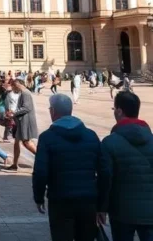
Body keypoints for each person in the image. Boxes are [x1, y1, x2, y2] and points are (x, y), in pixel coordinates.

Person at [32, 93, 110, 241]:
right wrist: (102, 205)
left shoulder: (47, 137)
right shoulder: (91, 135)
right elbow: (104, 172)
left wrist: (39, 197)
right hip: (88, 200)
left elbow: (41, 171)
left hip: (60, 200)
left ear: (53, 111)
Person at [100, 91, 153, 241]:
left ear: (119, 111)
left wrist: (102, 207)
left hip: (121, 211)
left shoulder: (109, 142)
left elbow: (105, 178)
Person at [3, 79, 38, 171]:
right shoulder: (23, 93)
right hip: (21, 120)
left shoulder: (25, 93)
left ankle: (42, 158)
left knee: (26, 142)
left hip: (25, 121)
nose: (13, 89)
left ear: (17, 85)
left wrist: (13, 113)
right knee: (17, 142)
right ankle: (15, 164)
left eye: (13, 87)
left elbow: (26, 108)